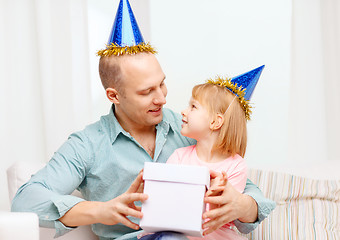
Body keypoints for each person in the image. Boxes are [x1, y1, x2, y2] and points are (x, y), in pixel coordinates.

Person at [11, 1, 275, 240]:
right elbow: (26, 201)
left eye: (162, 84)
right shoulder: (88, 144)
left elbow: (242, 186)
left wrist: (243, 206)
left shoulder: (187, 130)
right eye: (147, 92)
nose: (161, 98)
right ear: (114, 95)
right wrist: (102, 211)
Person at [165, 77, 258, 240]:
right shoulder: (178, 157)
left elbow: (223, 213)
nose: (184, 111)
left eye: (193, 106)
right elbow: (166, 202)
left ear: (215, 121)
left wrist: (217, 193)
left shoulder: (237, 166)